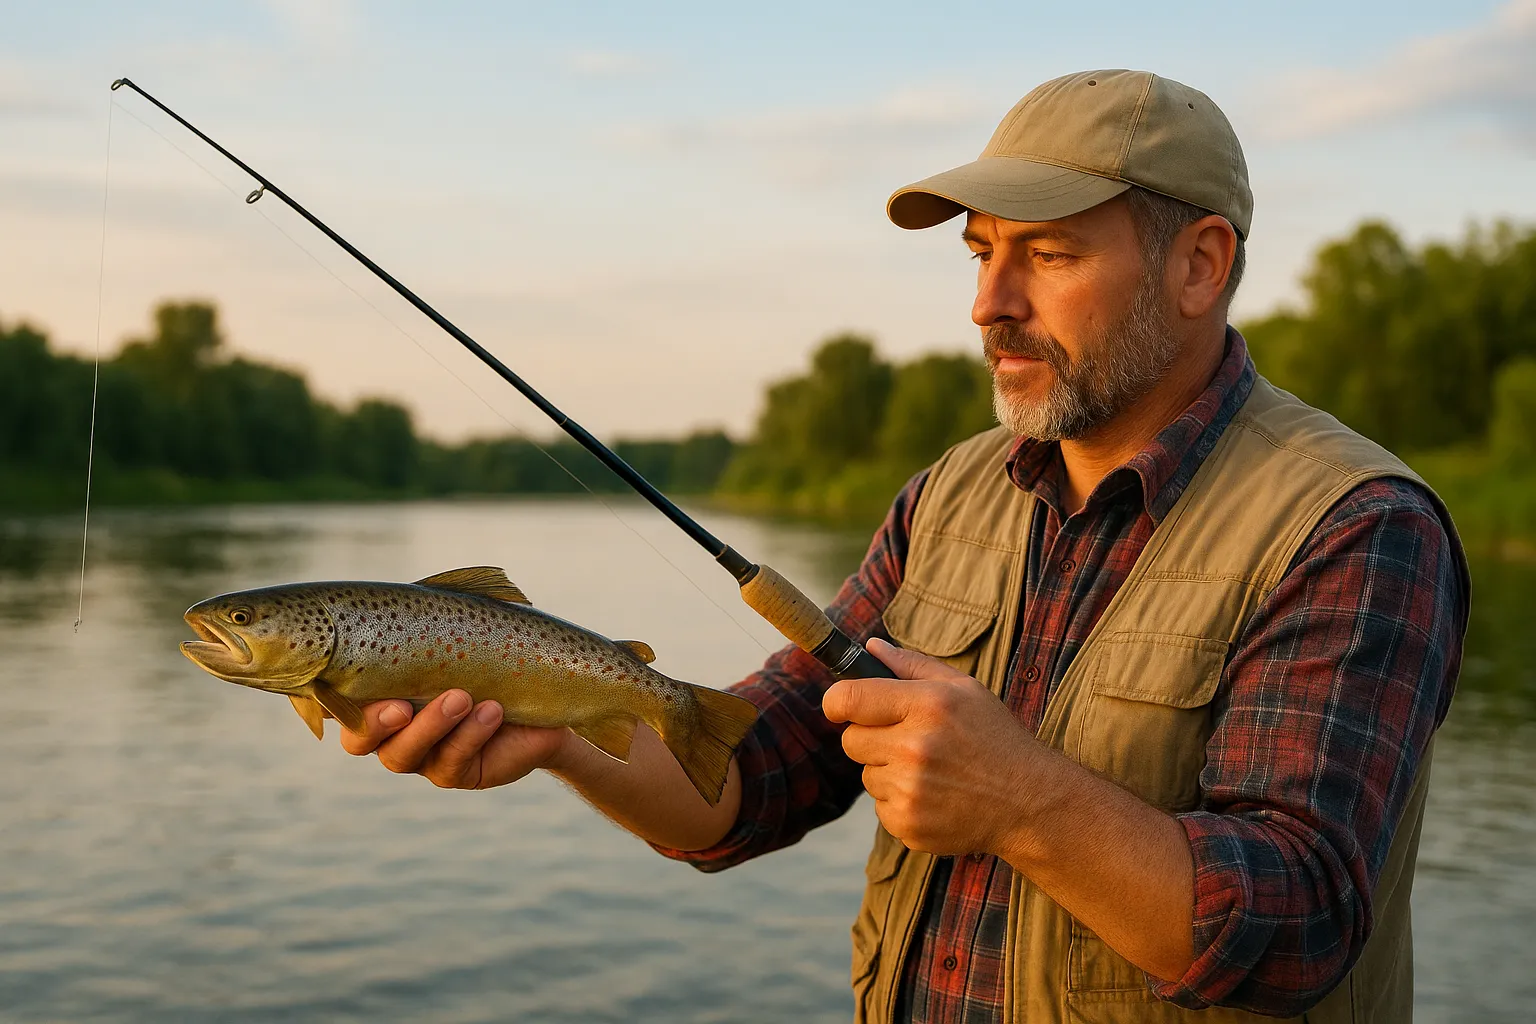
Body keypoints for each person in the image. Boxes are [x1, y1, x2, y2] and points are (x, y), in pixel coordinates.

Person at [338, 70, 1468, 1023]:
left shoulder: (1355, 523)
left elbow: (1301, 922)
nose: (988, 301)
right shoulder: (947, 496)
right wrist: (555, 731)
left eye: (1050, 255)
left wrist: (1026, 799)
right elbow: (747, 776)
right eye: (978, 254)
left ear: (1200, 266)